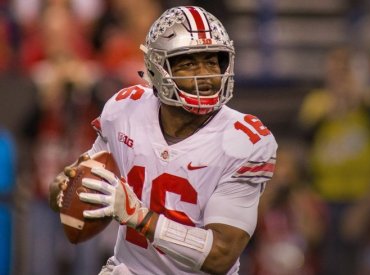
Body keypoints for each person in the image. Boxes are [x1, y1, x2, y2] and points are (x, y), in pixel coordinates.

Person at [48, 6, 277, 275]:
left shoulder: (244, 140)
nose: (204, 74)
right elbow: (76, 187)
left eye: (213, 62)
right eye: (189, 63)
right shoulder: (126, 109)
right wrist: (65, 188)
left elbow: (220, 255)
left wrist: (139, 216)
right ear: (158, 68)